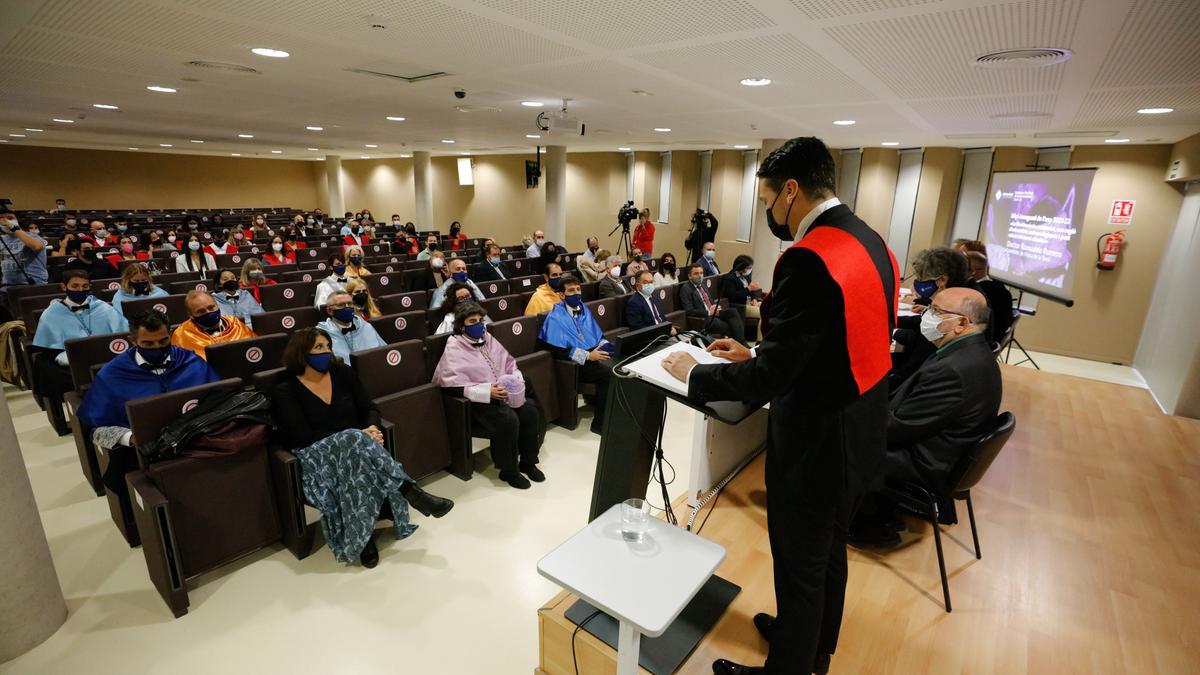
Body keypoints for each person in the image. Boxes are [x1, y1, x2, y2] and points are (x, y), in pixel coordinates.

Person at [661, 136, 899, 675]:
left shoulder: (809, 260)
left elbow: (772, 377)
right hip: (859, 429)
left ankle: (789, 666)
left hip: (816, 442)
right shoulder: (871, 241)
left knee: (800, 562)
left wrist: (699, 372)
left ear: (791, 191)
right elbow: (831, 342)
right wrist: (760, 349)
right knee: (827, 555)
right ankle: (811, 645)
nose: (769, 211)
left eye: (768, 199)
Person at [270, 328, 454, 567]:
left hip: (358, 448)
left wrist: (372, 428)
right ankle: (411, 491)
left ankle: (364, 540)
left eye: (327, 346)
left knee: (356, 461)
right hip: (315, 455)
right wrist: (359, 435)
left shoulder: (342, 373)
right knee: (352, 441)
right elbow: (300, 435)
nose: (325, 352)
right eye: (318, 348)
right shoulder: (286, 389)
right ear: (300, 353)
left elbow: (369, 408)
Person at [848, 288, 1001, 548]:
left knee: (836, 436)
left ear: (962, 323)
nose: (926, 316)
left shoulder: (955, 370)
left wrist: (850, 415)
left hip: (925, 463)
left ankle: (862, 522)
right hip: (940, 451)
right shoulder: (970, 352)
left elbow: (893, 429)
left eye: (935, 311)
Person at [77, 309, 220, 497]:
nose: (156, 348)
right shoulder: (112, 375)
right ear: (133, 341)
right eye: (147, 343)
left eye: (163, 341)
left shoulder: (191, 361)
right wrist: (130, 438)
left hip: (196, 438)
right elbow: (96, 430)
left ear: (170, 335)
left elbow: (218, 399)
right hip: (143, 451)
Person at [433, 303, 544, 489]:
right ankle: (509, 471)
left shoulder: (488, 338)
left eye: (480, 320)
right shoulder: (454, 346)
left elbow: (509, 363)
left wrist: (515, 379)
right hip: (477, 402)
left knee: (530, 411)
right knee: (507, 419)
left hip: (504, 392)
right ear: (462, 326)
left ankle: (528, 461)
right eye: (472, 321)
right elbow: (450, 385)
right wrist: (487, 391)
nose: (478, 325)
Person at [31, 269, 128, 433]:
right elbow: (48, 349)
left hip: (105, 358)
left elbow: (122, 335)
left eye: (84, 286)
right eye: (74, 286)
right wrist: (66, 358)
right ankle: (90, 419)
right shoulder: (52, 313)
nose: (80, 290)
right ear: (64, 287)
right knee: (47, 367)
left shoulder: (103, 308)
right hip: (71, 364)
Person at [538, 275, 612, 435]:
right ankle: (600, 424)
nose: (576, 293)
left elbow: (597, 335)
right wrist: (586, 356)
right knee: (608, 375)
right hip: (575, 365)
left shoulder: (584, 310)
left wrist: (604, 345)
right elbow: (556, 351)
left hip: (594, 355)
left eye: (578, 289)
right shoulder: (555, 317)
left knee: (619, 364)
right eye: (571, 290)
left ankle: (613, 413)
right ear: (561, 295)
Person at [171, 290, 256, 360]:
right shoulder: (181, 335)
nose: (208, 312)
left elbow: (255, 347)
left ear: (217, 306)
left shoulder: (235, 323)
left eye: (211, 307)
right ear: (191, 315)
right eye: (201, 311)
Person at [678, 263, 745, 344]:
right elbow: (689, 311)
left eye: (701, 273)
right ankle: (741, 344)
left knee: (733, 312)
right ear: (689, 276)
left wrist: (715, 306)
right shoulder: (686, 289)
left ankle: (741, 343)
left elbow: (710, 301)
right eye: (696, 274)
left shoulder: (703, 285)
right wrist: (709, 312)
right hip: (704, 318)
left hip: (713, 313)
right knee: (730, 325)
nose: (700, 276)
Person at [316, 291, 387, 362]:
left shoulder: (365, 326)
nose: (347, 307)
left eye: (350, 304)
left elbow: (384, 351)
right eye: (341, 305)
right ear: (330, 311)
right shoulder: (322, 333)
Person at [0, 210, 49, 309]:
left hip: (32, 287)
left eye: (10, 218)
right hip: (7, 289)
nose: (6, 222)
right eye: (2, 219)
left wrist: (13, 227)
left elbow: (36, 246)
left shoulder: (32, 236)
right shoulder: (1, 239)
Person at [964, 251, 1014, 340]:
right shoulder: (999, 286)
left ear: (973, 271)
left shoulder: (978, 293)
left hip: (981, 341)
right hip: (993, 338)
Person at [625, 270, 676, 335]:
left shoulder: (654, 296)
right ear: (637, 286)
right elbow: (638, 329)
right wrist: (660, 333)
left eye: (651, 282)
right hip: (651, 339)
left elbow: (662, 318)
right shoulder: (634, 303)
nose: (649, 285)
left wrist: (670, 327)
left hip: (665, 334)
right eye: (646, 283)